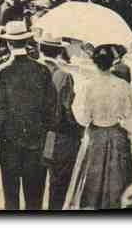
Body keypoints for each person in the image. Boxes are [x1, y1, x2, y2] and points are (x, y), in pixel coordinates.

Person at [0, 21, 56, 210]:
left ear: (9, 44)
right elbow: (51, 109)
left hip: (10, 143)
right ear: (27, 41)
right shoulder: (43, 70)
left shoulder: (1, 73)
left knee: (11, 198)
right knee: (34, 198)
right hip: (36, 143)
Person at [65, 46, 132, 210]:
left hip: (95, 135)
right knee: (118, 178)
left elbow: (82, 117)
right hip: (116, 134)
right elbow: (129, 111)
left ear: (94, 62)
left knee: (90, 176)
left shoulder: (87, 85)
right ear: (113, 63)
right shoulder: (122, 84)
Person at [38, 38, 82, 211]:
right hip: (57, 139)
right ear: (58, 52)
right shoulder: (63, 76)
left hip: (32, 137)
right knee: (57, 187)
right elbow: (68, 109)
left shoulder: (32, 70)